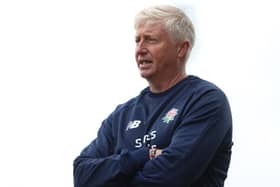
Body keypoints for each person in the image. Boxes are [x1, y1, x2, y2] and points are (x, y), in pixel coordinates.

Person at [73, 5, 233, 187]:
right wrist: (143, 155)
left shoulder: (205, 100)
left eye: (150, 40)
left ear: (181, 48)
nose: (140, 49)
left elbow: (168, 178)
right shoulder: (121, 115)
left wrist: (110, 176)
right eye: (137, 40)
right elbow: (82, 175)